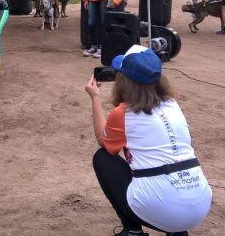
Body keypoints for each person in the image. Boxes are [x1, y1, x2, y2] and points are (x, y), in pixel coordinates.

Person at [86, 45, 211, 236]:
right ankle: (177, 231)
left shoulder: (124, 113)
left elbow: (104, 142)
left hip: (163, 208)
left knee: (103, 158)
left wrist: (95, 98)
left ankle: (133, 231)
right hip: (200, 204)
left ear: (123, 82)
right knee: (165, 166)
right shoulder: (173, 105)